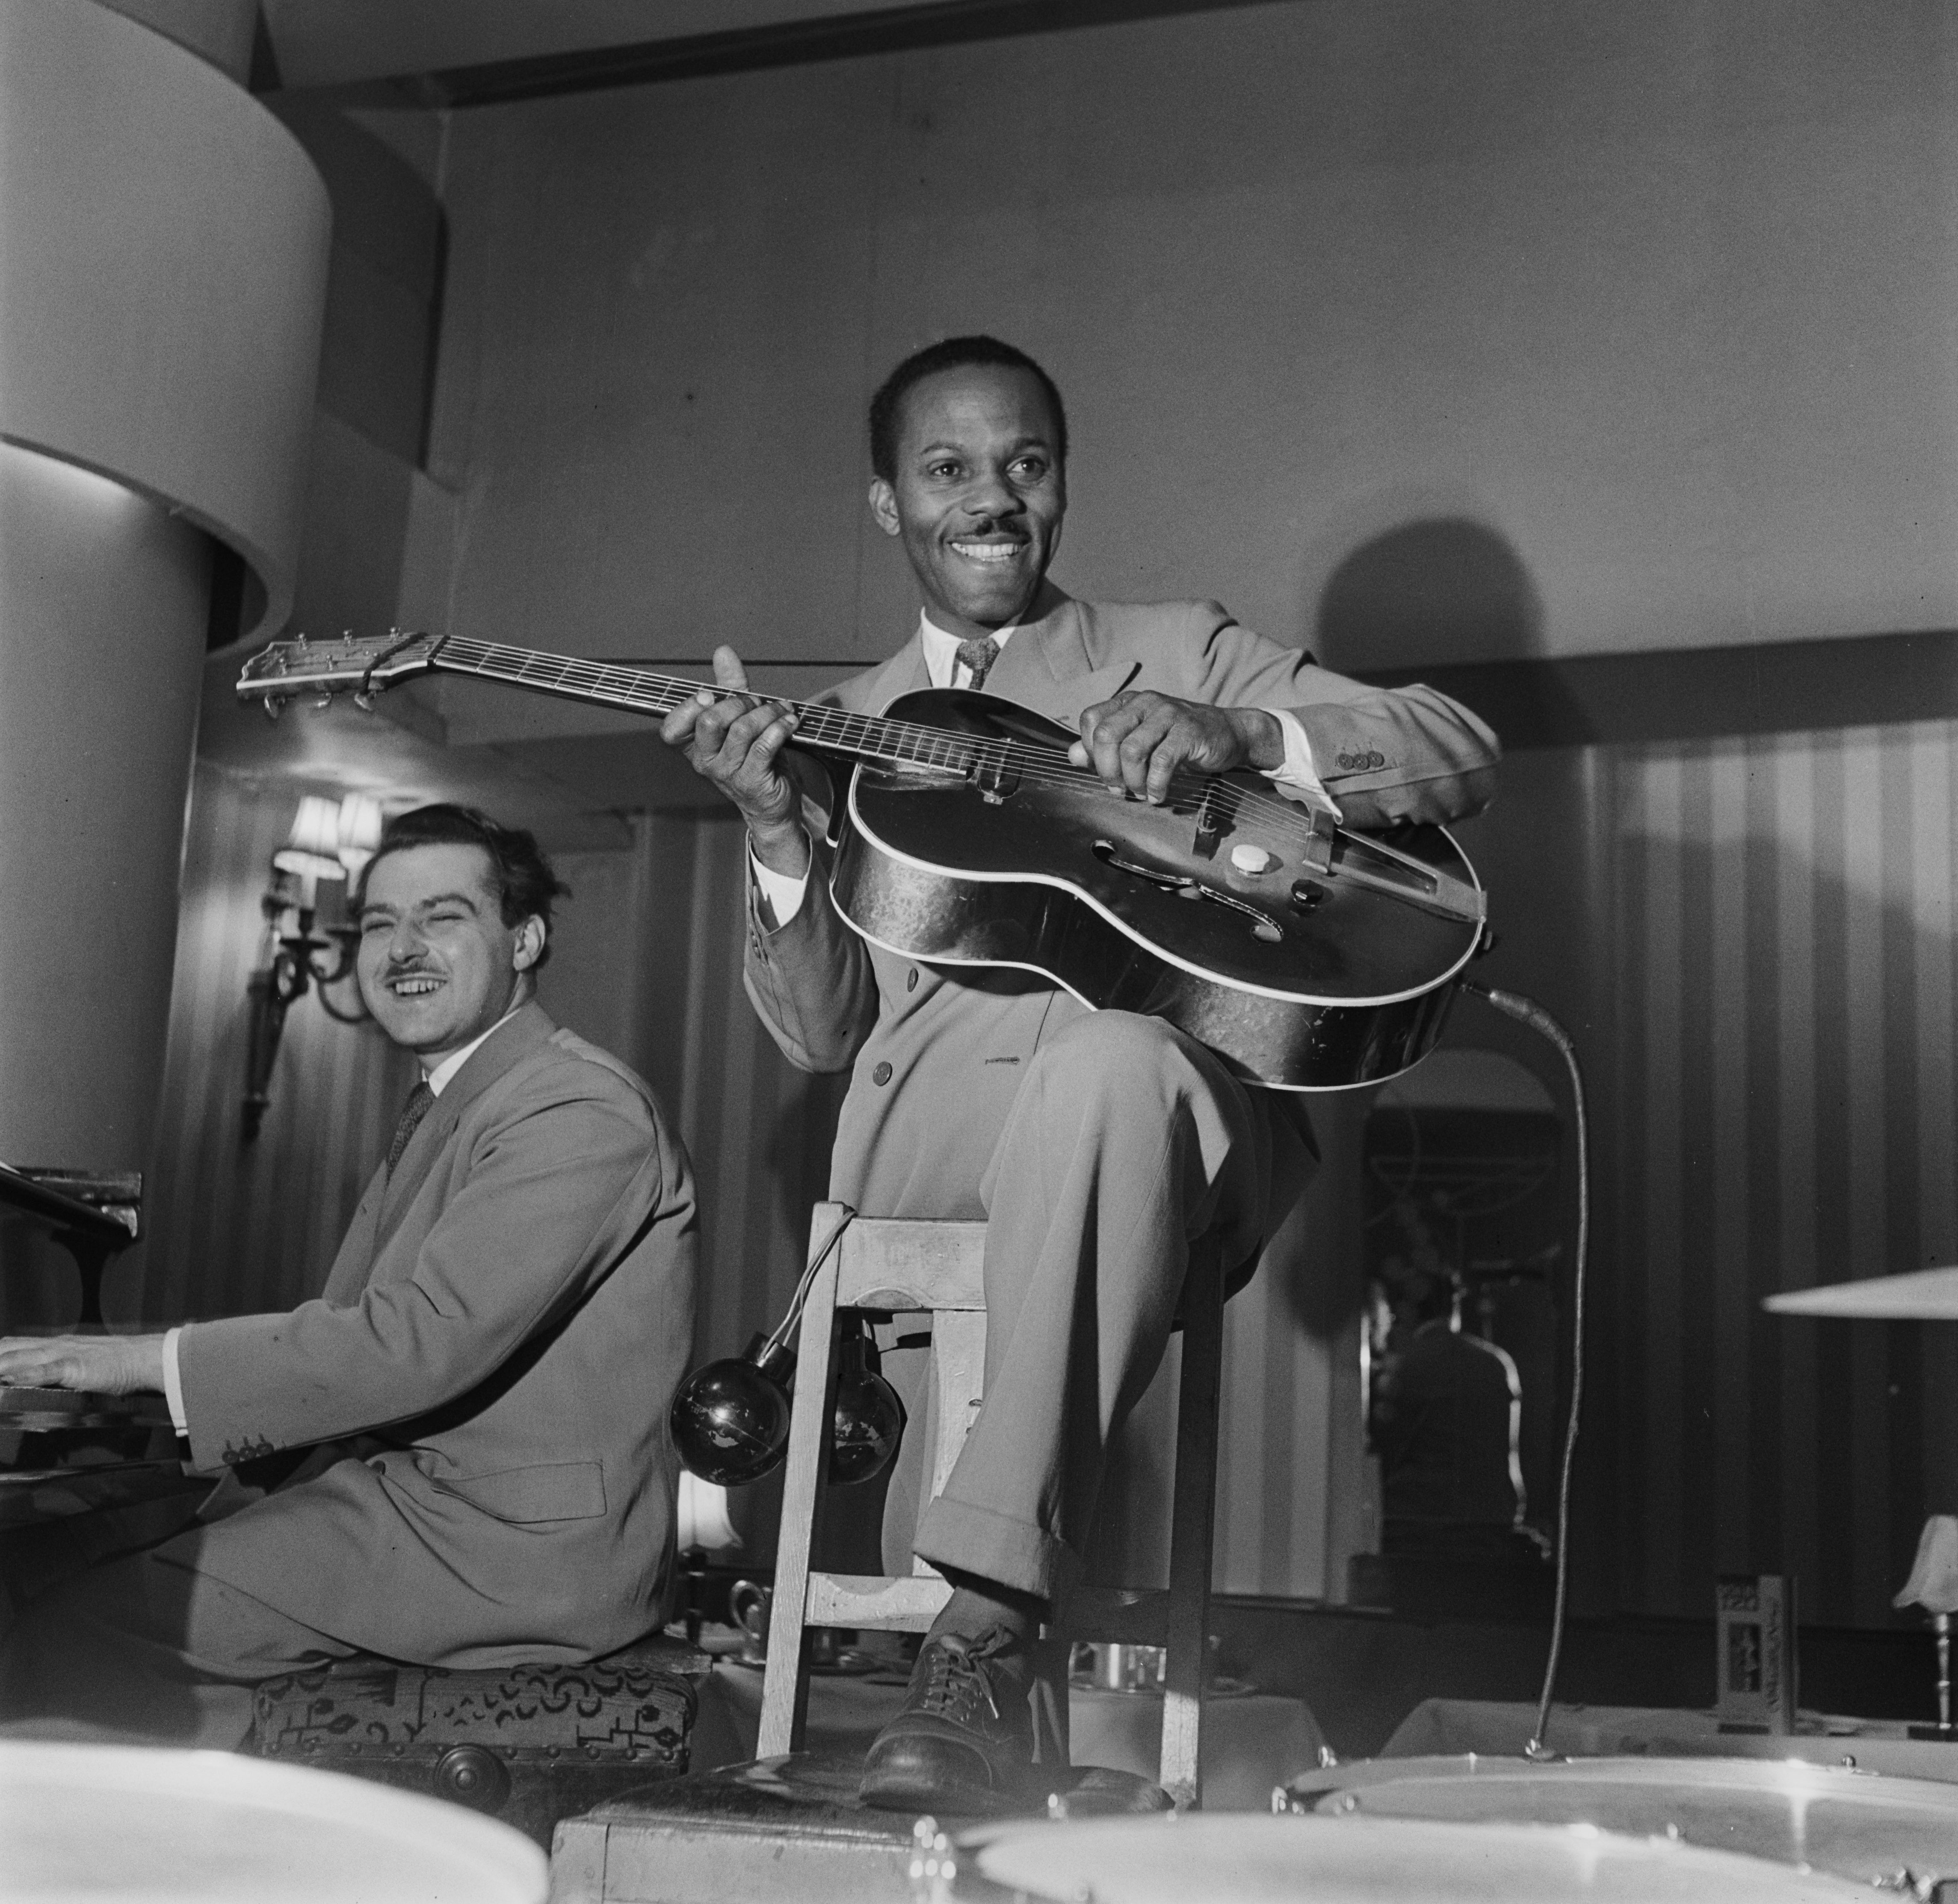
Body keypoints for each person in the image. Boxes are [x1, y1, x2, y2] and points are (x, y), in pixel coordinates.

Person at [660, 334, 1500, 1809]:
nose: (990, 500)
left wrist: (1239, 733)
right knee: (1089, 1056)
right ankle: (984, 1646)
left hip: (1162, 1130)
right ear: (884, 507)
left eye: (1023, 465)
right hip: (934, 1134)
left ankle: (977, 1631)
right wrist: (776, 831)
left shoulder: (1173, 650)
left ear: (1058, 487)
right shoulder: (844, 725)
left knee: (1110, 1055)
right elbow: (817, 1034)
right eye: (946, 470)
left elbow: (1453, 742)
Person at [0, 804, 698, 1744]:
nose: (403, 948)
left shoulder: (575, 1105)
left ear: (525, 937)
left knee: (80, 1630)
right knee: (44, 1563)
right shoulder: (466, 1095)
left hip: (507, 1549)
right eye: (378, 924)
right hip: (422, 1505)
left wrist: (138, 1365)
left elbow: (417, 1343)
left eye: (442, 917)